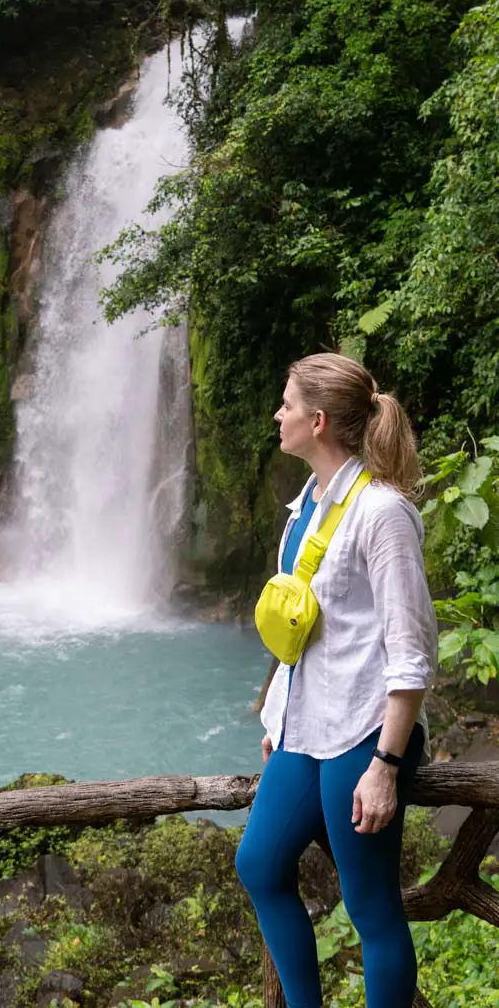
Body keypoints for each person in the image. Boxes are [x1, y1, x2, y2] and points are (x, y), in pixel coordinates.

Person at [235, 352, 438, 1008]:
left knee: (369, 903)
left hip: (363, 731)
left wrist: (385, 763)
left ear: (316, 421)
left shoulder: (381, 513)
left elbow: (410, 653)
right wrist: (278, 718)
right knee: (260, 865)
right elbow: (303, 629)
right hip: (305, 729)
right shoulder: (306, 507)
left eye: (286, 403)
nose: (277, 414)